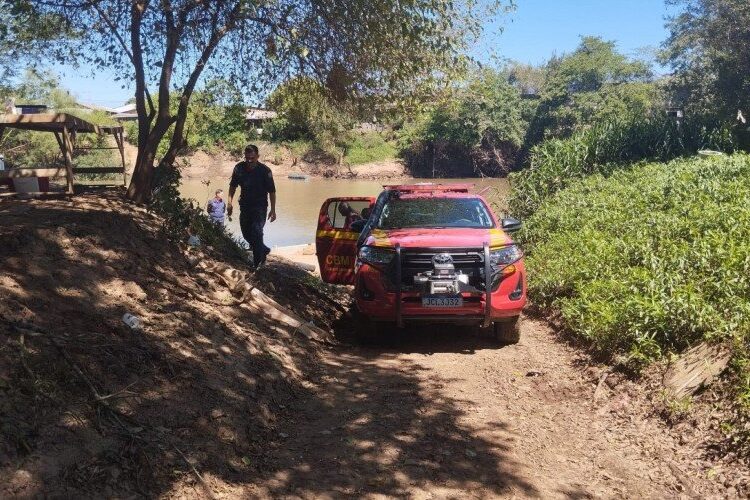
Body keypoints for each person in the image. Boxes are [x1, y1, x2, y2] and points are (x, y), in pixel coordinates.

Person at [227, 145, 277, 267]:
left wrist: (273, 210)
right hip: (245, 206)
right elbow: (233, 186)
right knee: (246, 233)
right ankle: (263, 249)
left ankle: (257, 263)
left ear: (257, 156)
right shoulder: (239, 168)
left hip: (260, 207)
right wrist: (229, 203)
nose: (249, 160)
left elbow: (272, 191)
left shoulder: (265, 171)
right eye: (247, 158)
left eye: (252, 158)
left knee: (257, 232)